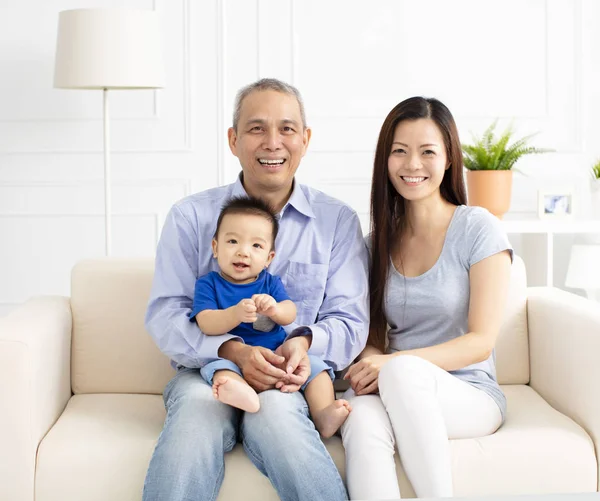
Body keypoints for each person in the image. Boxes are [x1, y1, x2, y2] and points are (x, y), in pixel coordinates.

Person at [142, 78, 369, 501]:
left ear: (305, 139)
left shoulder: (336, 221)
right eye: (256, 128)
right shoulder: (190, 217)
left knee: (281, 422)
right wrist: (233, 350)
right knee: (195, 415)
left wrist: (300, 345)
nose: (273, 143)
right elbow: (165, 315)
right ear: (233, 140)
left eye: (286, 129)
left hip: (290, 378)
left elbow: (350, 320)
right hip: (206, 372)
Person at [340, 96, 513, 500]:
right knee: (360, 417)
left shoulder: (478, 229)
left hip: (467, 394)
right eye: (399, 151)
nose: (412, 164)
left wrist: (392, 364)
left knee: (402, 374)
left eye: (427, 152)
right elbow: (369, 337)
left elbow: (481, 342)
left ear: (450, 159)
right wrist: (370, 360)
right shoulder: (373, 246)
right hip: (390, 387)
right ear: (385, 161)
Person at [192, 195, 352, 437]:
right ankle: (242, 395)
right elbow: (206, 322)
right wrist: (234, 314)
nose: (243, 252)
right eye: (233, 241)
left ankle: (323, 414)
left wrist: (275, 309)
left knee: (316, 369)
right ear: (215, 248)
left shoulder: (270, 283)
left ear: (269, 258)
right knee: (220, 370)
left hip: (277, 354)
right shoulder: (209, 284)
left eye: (256, 246)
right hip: (235, 359)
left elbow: (290, 312)